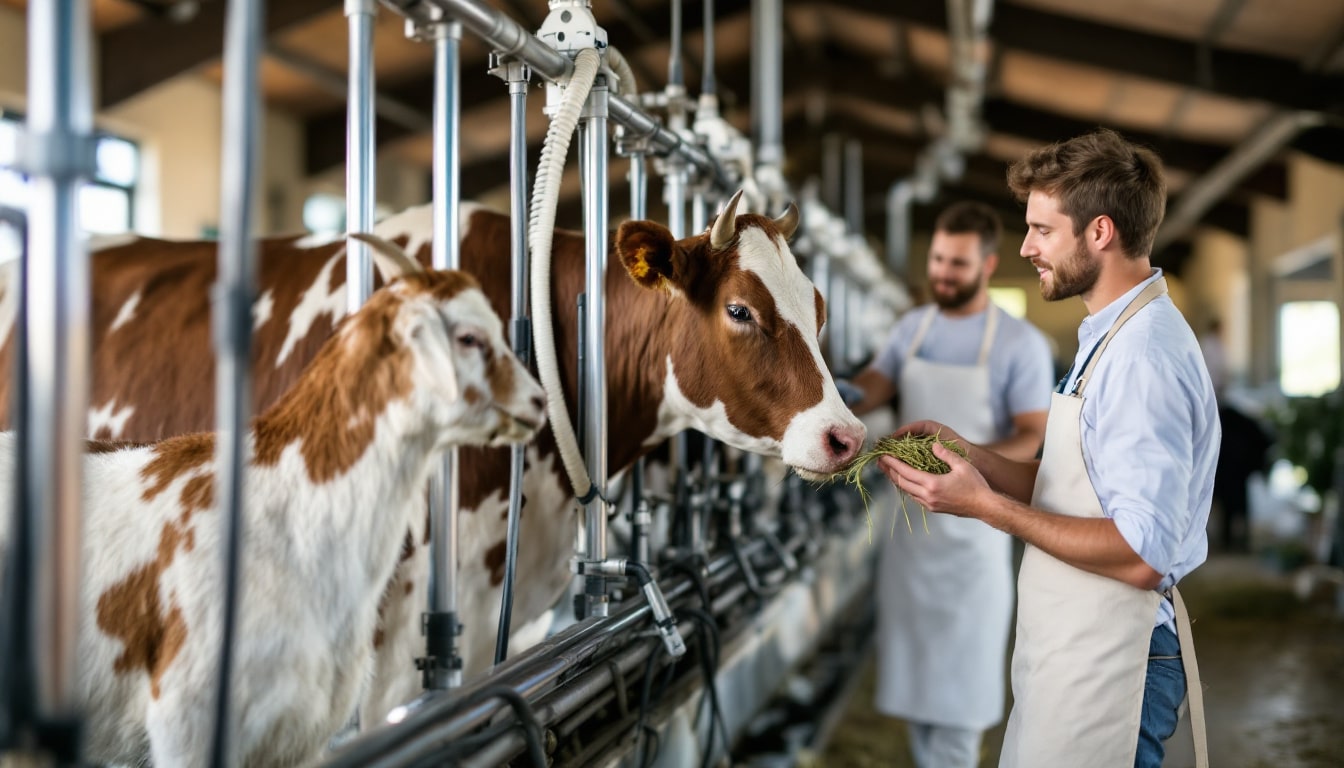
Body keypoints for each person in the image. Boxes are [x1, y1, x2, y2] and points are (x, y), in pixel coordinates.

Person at [879, 129, 1218, 768]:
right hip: (1075, 646)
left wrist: (986, 508)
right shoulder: (1109, 333)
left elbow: (1143, 554)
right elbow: (1071, 484)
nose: (1027, 247)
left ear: (1099, 232)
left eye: (1041, 230)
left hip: (1113, 658)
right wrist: (972, 455)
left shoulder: (1143, 356)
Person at [844, 200, 1054, 768]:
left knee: (962, 700)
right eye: (937, 258)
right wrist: (831, 395)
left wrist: (961, 458)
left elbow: (1033, 435)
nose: (942, 272)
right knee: (916, 692)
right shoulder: (912, 328)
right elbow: (878, 382)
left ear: (987, 266)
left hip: (973, 532)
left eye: (957, 264)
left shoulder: (1019, 344)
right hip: (908, 536)